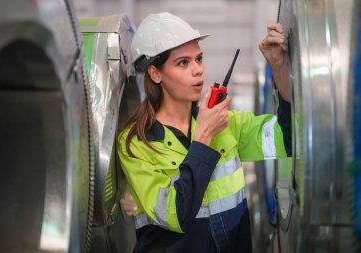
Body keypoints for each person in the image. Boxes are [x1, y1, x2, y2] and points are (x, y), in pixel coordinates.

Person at [118, 12, 291, 253]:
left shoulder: (227, 124)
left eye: (199, 59)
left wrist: (279, 67)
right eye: (183, 63)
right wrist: (204, 136)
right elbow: (176, 215)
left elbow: (289, 139)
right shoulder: (136, 143)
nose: (198, 70)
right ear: (155, 73)